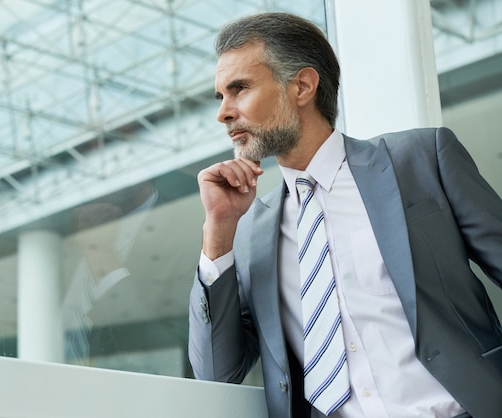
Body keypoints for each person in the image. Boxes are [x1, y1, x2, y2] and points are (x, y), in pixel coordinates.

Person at [188, 12, 502, 418]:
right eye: (221, 97)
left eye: (240, 89)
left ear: (302, 86)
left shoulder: (422, 160)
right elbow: (217, 371)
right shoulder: (248, 233)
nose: (224, 113)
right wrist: (218, 232)